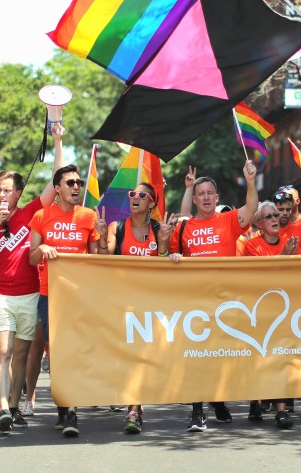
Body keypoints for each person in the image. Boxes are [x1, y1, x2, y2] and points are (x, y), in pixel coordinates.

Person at [0, 123, 64, 433]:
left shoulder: (32, 213)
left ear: (18, 193)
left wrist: (58, 140)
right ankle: (1, 408)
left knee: (22, 355)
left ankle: (13, 407)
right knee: (6, 352)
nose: (1, 194)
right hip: (1, 296)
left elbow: (57, 180)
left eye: (7, 190)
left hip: (30, 295)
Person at [169, 161, 258, 432]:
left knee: (222, 356)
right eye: (201, 194)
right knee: (197, 356)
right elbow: (168, 254)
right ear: (194, 199)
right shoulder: (183, 228)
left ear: (216, 198)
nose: (206, 197)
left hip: (227, 301)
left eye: (210, 193)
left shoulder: (229, 220)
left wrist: (251, 181)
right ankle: (197, 412)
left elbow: (252, 209)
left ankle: (218, 400)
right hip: (195, 303)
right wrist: (172, 255)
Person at [27, 164, 100, 438]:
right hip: (50, 294)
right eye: (70, 183)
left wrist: (102, 239)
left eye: (79, 183)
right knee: (56, 354)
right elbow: (31, 257)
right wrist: (42, 248)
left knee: (75, 351)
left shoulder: (89, 216)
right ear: (57, 188)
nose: (76, 187)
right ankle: (63, 406)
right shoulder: (41, 216)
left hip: (79, 295)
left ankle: (71, 410)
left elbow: (94, 260)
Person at [96, 181, 174, 434]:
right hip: (122, 301)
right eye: (132, 194)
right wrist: (99, 235)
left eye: (142, 195)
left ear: (151, 203)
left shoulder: (157, 228)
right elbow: (104, 258)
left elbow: (164, 264)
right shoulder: (116, 227)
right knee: (126, 355)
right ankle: (133, 403)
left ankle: (134, 408)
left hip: (150, 303)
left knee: (141, 357)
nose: (135, 197)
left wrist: (164, 244)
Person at [242, 201, 298, 429]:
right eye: (269, 216)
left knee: (282, 359)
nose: (275, 218)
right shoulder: (251, 246)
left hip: (284, 311)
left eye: (276, 214)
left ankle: (281, 411)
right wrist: (284, 257)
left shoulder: (290, 242)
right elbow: (261, 277)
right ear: (258, 224)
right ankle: (255, 400)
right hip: (258, 312)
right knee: (258, 360)